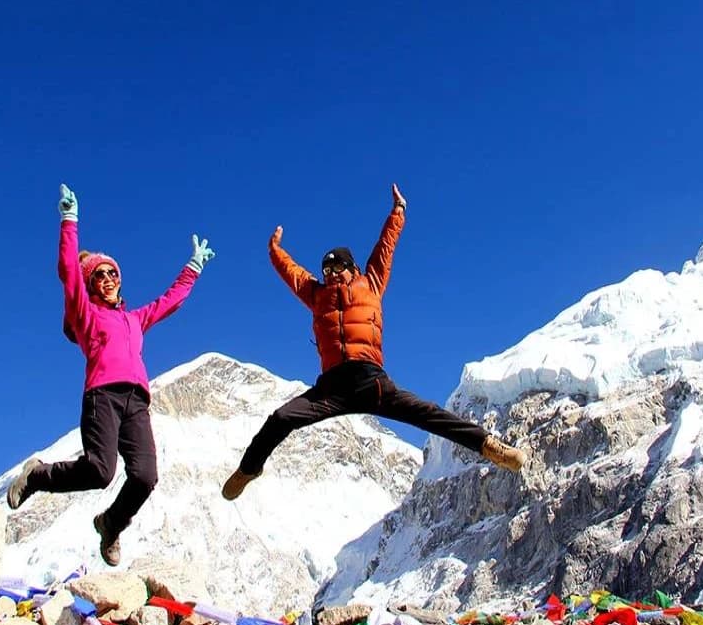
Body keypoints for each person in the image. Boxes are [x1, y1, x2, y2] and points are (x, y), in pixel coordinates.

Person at [222, 183, 526, 500]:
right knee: (281, 419)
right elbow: (292, 272)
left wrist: (398, 211)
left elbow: (385, 246)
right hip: (331, 388)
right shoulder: (316, 295)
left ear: (351, 267)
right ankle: (248, 469)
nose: (330, 273)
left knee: (428, 413)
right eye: (326, 269)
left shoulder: (371, 282)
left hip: (371, 382)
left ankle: (489, 446)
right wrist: (274, 250)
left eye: (336, 267)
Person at [7, 184, 215, 565]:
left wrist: (193, 268)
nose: (107, 278)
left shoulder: (134, 319)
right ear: (90, 285)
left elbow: (169, 301)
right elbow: (69, 272)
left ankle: (110, 524)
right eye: (99, 275)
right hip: (102, 395)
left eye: (112, 273)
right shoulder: (86, 316)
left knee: (146, 476)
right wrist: (69, 221)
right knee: (101, 471)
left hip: (137, 401)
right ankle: (38, 476)